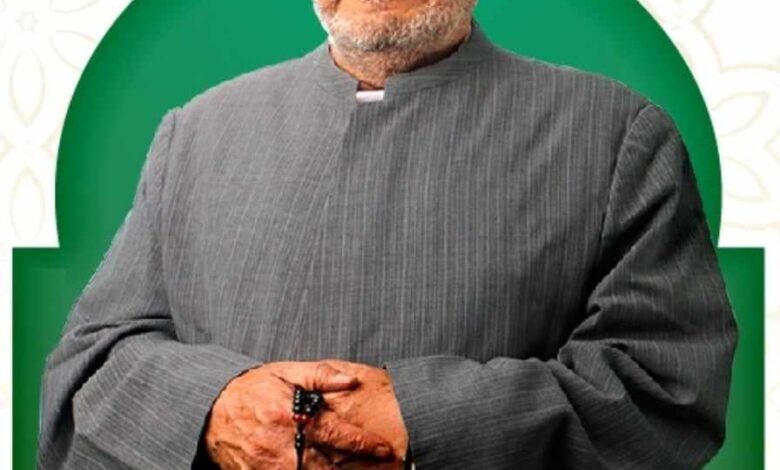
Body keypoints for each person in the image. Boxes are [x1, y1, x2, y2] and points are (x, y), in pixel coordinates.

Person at [38, 0, 739, 469]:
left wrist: (423, 420)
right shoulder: (195, 132)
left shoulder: (615, 136)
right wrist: (214, 406)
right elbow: (91, 364)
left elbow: (666, 389)